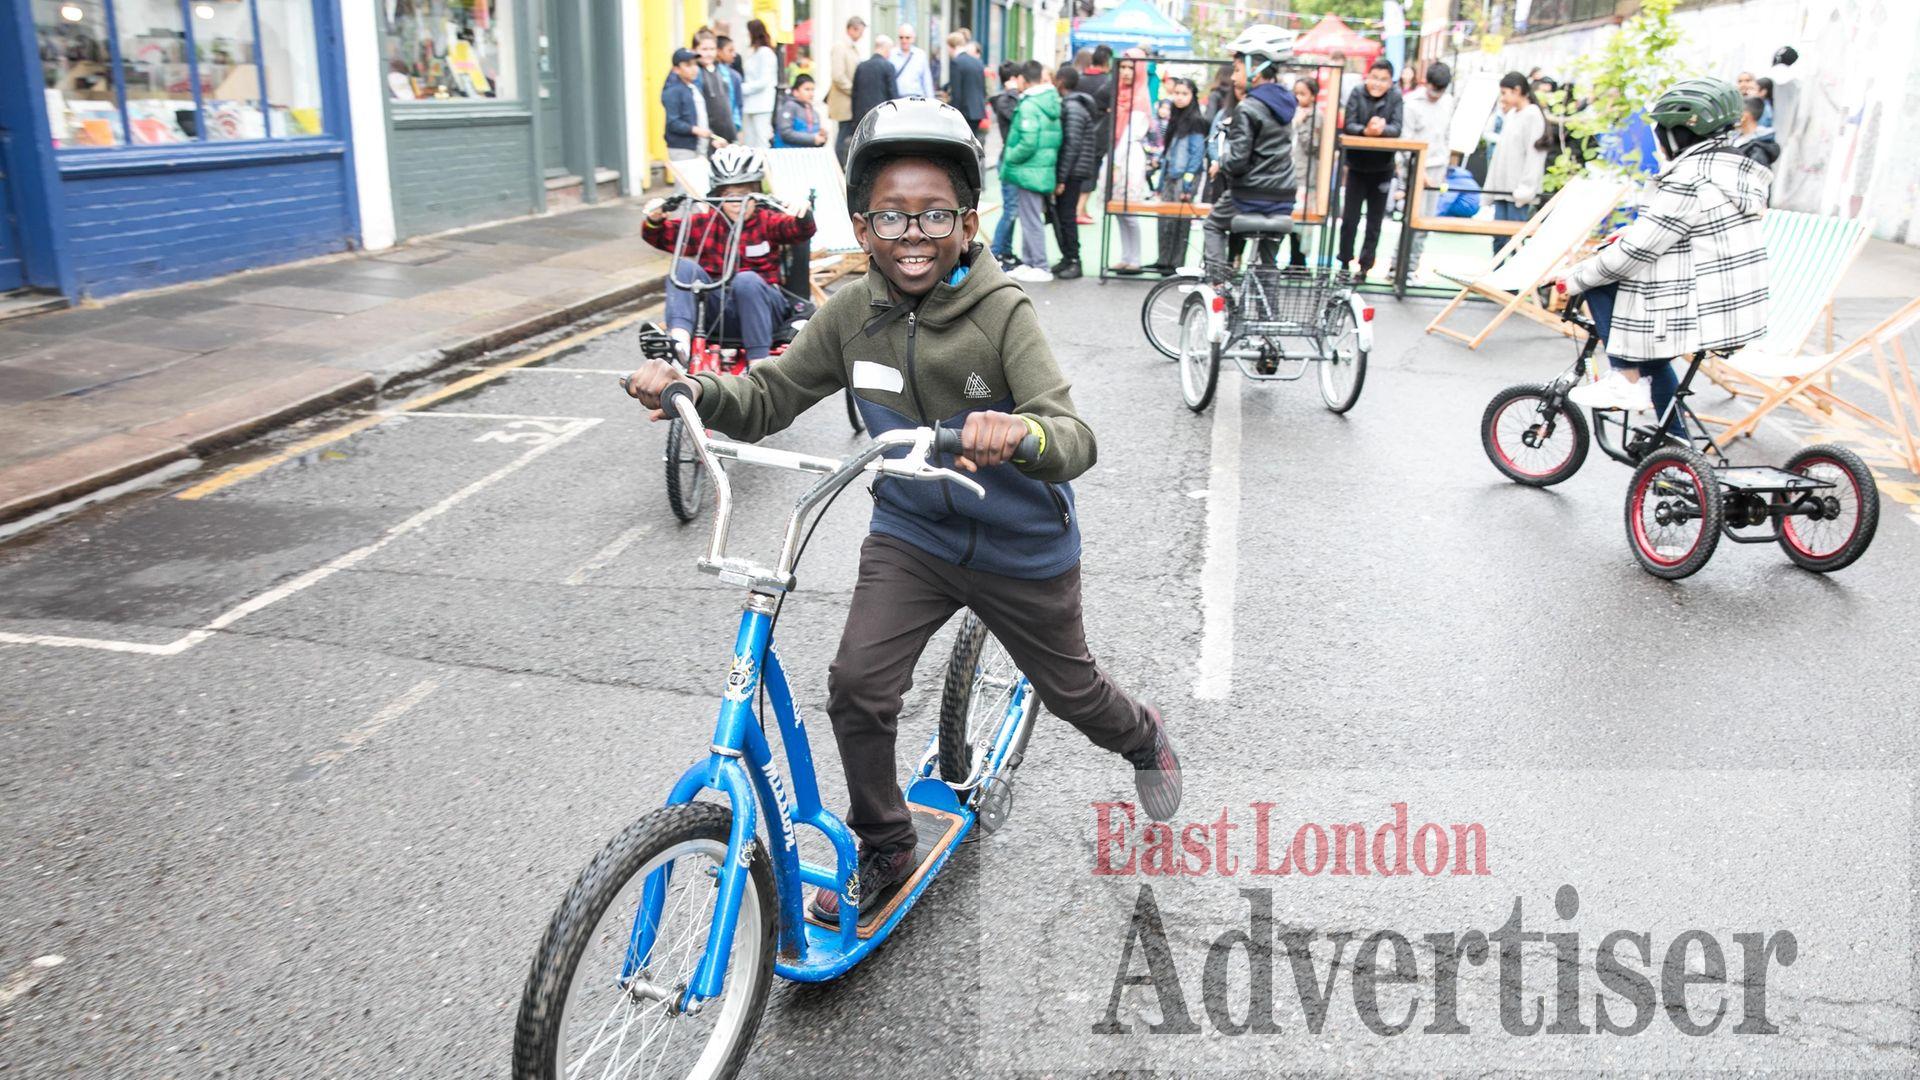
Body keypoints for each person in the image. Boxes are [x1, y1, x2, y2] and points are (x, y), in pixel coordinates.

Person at [622, 99, 1182, 922]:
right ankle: (885, 844)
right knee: (857, 686)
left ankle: (1142, 735)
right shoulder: (853, 311)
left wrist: (1018, 433)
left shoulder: (1002, 312)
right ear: (862, 224)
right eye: (891, 215)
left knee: (1073, 693)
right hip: (913, 533)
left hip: (1020, 545)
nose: (912, 233)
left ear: (967, 222)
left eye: (934, 215)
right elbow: (771, 393)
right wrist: (691, 388)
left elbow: (1073, 436)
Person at [1558, 77, 1769, 439]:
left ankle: (1624, 378)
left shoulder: (1689, 180)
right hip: (1735, 307)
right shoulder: (1728, 170)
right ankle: (1675, 441)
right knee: (1653, 353)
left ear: (1679, 134)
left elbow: (1634, 253)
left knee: (1601, 280)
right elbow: (1693, 232)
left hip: (1702, 312)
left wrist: (1572, 277)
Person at [640, 145, 815, 364]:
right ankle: (679, 344)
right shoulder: (706, 223)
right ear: (717, 196)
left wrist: (803, 212)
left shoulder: (768, 220)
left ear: (757, 193)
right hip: (719, 309)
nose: (737, 202)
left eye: (744, 194)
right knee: (683, 267)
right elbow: (661, 236)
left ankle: (758, 363)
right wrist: (655, 219)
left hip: (764, 309)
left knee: (746, 279)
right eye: (729, 195)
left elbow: (801, 230)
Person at [1203, 25, 1298, 271]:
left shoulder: (1247, 107)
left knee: (1213, 224)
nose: (1233, 77)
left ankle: (1217, 286)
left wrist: (1221, 162)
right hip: (1284, 195)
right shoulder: (1285, 103)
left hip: (1252, 194)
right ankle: (1269, 310)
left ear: (1255, 71)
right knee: (1268, 265)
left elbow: (1237, 162)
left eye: (1237, 69)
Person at [1338, 58, 1403, 279]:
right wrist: (1365, 131)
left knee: (1375, 222)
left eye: (1383, 79)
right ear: (1368, 77)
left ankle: (1365, 266)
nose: (1377, 83)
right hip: (1356, 167)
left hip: (1383, 168)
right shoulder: (1357, 93)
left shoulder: (1395, 97)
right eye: (1374, 78)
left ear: (1390, 82)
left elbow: (1397, 127)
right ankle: (1344, 263)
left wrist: (1381, 130)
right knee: (1349, 219)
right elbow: (1348, 124)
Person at [1003, 60, 1063, 284]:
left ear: (1023, 79)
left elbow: (1028, 142)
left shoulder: (1030, 104)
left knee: (1030, 219)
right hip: (1041, 168)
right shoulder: (1049, 101)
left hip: (1029, 170)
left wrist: (1009, 156)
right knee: (1030, 217)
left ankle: (1039, 264)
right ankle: (1030, 262)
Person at [1399, 61, 1455, 283]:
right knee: (1411, 221)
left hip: (1438, 166)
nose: (1436, 95)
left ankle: (1410, 268)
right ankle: (1399, 267)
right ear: (1426, 83)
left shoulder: (1448, 102)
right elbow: (1404, 141)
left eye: (1440, 91)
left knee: (1426, 222)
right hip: (1416, 167)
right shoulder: (1411, 103)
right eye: (1434, 89)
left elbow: (1447, 135)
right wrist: (1416, 171)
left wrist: (1448, 163)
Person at [1146, 77, 1207, 275]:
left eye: (1184, 94)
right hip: (1169, 176)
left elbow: (1197, 154)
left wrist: (1189, 184)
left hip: (1184, 178)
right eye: (1177, 93)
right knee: (1164, 219)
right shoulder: (1174, 118)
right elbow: (1168, 152)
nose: (1179, 98)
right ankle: (1163, 260)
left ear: (1192, 96)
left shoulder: (1197, 121)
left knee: (1180, 221)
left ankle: (1176, 263)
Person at [1483, 71, 1546, 257]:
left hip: (1517, 192)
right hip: (1502, 189)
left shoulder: (1532, 115)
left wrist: (1526, 188)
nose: (1502, 98)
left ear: (1517, 90)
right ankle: (1495, 281)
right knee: (1499, 239)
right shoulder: (1512, 115)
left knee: (1514, 240)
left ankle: (1511, 285)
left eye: (1505, 93)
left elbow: (1535, 156)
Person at [1109, 49, 1156, 274]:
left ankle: (1134, 258)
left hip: (1129, 157)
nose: (1126, 72)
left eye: (1131, 68)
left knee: (1130, 211)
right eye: (1123, 67)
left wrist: (1117, 162)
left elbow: (1132, 133)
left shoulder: (1140, 96)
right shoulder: (1118, 93)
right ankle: (1126, 256)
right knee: (1118, 209)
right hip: (1115, 155)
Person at [1053, 63, 1101, 280]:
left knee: (1067, 216)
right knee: (1064, 216)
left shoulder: (1072, 108)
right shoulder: (1076, 106)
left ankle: (1073, 260)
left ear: (1061, 81)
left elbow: (1071, 145)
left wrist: (1061, 178)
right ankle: (1068, 258)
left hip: (1072, 171)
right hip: (1076, 169)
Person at [988, 62, 1027, 269]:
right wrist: (1013, 91)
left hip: (1012, 159)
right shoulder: (1006, 100)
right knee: (1011, 209)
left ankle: (1005, 251)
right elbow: (1018, 120)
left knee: (1013, 209)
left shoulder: (1010, 99)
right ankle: (996, 253)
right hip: (1009, 159)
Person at [1076, 45, 1115, 226]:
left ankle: (1081, 208)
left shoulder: (1080, 79)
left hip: (1077, 130)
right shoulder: (1107, 83)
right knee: (1091, 171)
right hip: (1098, 133)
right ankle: (1080, 209)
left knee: (1078, 169)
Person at [661, 48, 722, 161]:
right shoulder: (673, 91)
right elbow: (673, 122)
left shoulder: (694, 88)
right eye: (688, 65)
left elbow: (701, 117)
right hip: (682, 148)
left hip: (699, 147)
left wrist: (711, 137)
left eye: (695, 64)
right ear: (676, 69)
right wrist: (697, 130)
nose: (694, 69)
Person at [1282, 75, 1318, 268]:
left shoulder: (1316, 117)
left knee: (1302, 225)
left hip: (1305, 177)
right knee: (1285, 218)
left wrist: (1302, 125)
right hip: (1286, 174)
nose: (1298, 98)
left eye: (1302, 94)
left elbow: (1315, 146)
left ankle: (1298, 262)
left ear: (1312, 96)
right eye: (1295, 93)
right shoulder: (1288, 113)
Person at [829, 17, 866, 163]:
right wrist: (854, 91)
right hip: (844, 101)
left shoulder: (852, 48)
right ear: (852, 29)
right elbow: (838, 76)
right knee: (843, 135)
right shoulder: (840, 47)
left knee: (846, 134)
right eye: (860, 32)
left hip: (850, 101)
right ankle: (837, 165)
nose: (861, 36)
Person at [693, 31, 739, 145]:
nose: (709, 53)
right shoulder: (695, 73)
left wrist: (736, 126)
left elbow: (733, 102)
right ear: (694, 50)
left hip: (728, 133)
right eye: (704, 49)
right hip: (707, 135)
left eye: (712, 49)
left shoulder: (724, 72)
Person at [740, 20, 780, 148]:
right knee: (749, 140)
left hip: (762, 104)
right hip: (749, 103)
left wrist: (742, 88)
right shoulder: (753, 52)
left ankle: (763, 166)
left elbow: (764, 80)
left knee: (761, 138)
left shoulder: (766, 53)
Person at [852, 36, 901, 135]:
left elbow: (854, 94)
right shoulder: (888, 66)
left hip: (861, 117)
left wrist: (855, 118)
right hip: (882, 117)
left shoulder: (861, 66)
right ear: (886, 48)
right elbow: (893, 95)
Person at [945, 30, 987, 140]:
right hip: (978, 111)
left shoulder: (956, 62)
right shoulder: (978, 62)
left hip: (965, 112)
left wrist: (953, 115)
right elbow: (982, 88)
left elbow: (956, 93)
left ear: (951, 46)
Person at [774, 74, 828, 148]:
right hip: (787, 154)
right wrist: (813, 138)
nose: (811, 93)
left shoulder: (815, 113)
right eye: (807, 89)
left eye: (813, 90)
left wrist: (822, 137)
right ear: (795, 92)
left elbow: (815, 139)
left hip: (806, 155)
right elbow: (786, 133)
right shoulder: (789, 106)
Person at [1733, 95, 1780, 169]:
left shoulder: (1757, 150)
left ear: (1745, 115)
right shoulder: (1739, 139)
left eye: (1736, 112)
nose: (1732, 116)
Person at [892, 23, 937, 100]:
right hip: (898, 99)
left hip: (917, 98)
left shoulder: (920, 55)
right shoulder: (892, 54)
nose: (904, 40)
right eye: (901, 37)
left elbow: (926, 80)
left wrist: (931, 100)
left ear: (913, 38)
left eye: (907, 37)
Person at [715, 37, 747, 134]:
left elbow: (738, 103)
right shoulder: (709, 74)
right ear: (718, 51)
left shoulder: (735, 76)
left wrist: (736, 125)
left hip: (731, 126)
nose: (734, 55)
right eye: (730, 50)